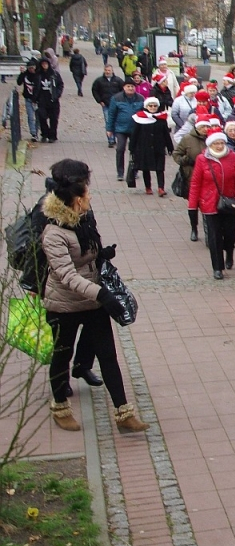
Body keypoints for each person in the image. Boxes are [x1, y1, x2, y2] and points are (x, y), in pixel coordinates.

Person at [40, 159, 149, 434]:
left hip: (93, 299)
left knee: (108, 355)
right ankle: (60, 407)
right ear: (75, 200)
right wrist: (103, 294)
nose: (90, 196)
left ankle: (124, 413)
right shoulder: (53, 232)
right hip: (64, 304)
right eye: (86, 194)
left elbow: (86, 256)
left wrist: (100, 255)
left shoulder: (84, 219)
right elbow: (66, 275)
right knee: (62, 354)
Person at [188, 129, 235, 279]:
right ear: (210, 144)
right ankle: (217, 267)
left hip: (229, 202)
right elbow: (195, 183)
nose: (220, 146)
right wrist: (192, 206)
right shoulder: (202, 159)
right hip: (209, 203)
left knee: (229, 233)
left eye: (222, 143)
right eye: (216, 143)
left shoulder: (232, 157)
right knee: (214, 237)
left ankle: (229, 253)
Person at [173, 112, 214, 241]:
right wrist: (185, 160)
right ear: (197, 126)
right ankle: (194, 228)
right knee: (193, 205)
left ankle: (208, 232)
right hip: (191, 177)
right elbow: (176, 154)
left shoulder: (212, 138)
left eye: (207, 127)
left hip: (208, 178)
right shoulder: (187, 139)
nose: (205, 129)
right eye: (203, 127)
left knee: (207, 205)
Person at [129, 98, 174, 196]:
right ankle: (148, 187)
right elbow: (134, 134)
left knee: (160, 168)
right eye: (150, 106)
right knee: (146, 168)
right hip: (144, 147)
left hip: (159, 147)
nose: (153, 108)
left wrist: (170, 147)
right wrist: (132, 148)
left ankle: (161, 188)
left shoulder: (161, 119)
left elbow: (166, 134)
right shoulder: (140, 118)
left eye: (155, 106)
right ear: (146, 107)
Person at [107, 79, 145, 181]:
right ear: (124, 87)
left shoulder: (140, 98)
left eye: (132, 86)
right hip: (120, 129)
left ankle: (134, 170)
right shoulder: (116, 98)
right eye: (128, 86)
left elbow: (144, 113)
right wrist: (109, 129)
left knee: (135, 150)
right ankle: (120, 172)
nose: (130, 88)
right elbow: (111, 114)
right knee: (120, 149)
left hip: (136, 129)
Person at [33, 57, 64, 143]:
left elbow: (60, 85)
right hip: (42, 100)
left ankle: (52, 136)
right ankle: (44, 134)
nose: (44, 66)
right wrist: (35, 98)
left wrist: (57, 94)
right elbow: (35, 86)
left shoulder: (54, 74)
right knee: (42, 117)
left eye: (46, 64)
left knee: (54, 119)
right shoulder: (38, 75)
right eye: (43, 64)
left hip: (53, 100)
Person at [92, 64, 124, 147]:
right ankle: (111, 140)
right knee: (108, 121)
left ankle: (119, 137)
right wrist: (99, 101)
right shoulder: (99, 81)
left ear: (112, 71)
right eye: (106, 70)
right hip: (106, 104)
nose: (107, 72)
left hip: (117, 105)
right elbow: (94, 90)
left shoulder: (118, 80)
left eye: (109, 70)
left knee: (118, 121)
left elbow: (123, 91)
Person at [16, 59, 40, 142]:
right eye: (30, 68)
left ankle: (36, 132)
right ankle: (33, 133)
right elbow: (19, 82)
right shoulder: (25, 75)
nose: (31, 69)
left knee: (38, 117)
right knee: (30, 116)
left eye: (33, 68)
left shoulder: (38, 75)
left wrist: (36, 98)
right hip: (28, 98)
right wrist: (21, 73)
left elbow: (38, 87)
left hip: (37, 100)